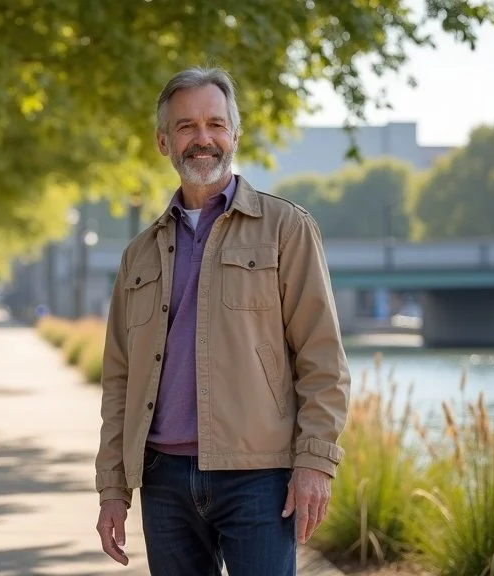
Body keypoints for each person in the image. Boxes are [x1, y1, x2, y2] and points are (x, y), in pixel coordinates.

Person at [93, 66, 351, 575]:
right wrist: (112, 488)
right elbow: (119, 379)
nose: (202, 138)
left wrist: (316, 462)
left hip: (258, 478)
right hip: (163, 479)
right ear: (164, 142)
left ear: (234, 135)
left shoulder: (286, 228)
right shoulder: (139, 254)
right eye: (186, 126)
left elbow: (322, 358)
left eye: (214, 124)